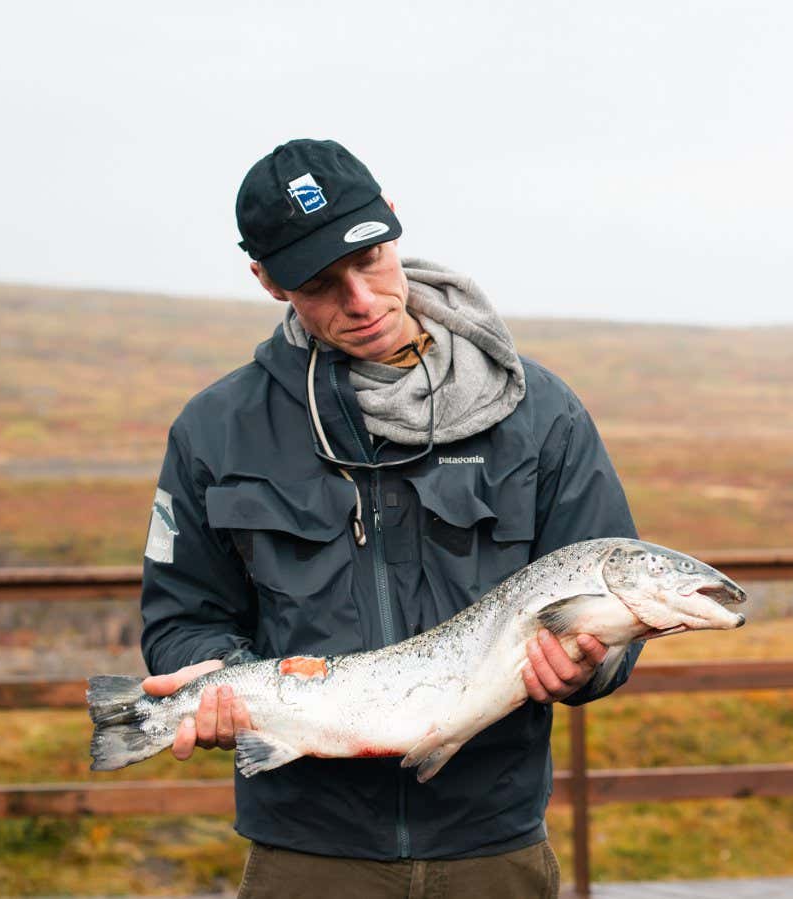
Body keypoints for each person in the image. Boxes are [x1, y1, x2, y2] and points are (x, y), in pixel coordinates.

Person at [137, 138, 640, 898]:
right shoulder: (215, 430)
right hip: (306, 851)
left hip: (492, 845)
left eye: (369, 259)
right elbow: (183, 616)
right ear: (268, 282)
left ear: (393, 224)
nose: (362, 301)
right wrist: (215, 674)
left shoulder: (541, 414)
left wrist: (588, 665)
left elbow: (613, 598)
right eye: (319, 281)